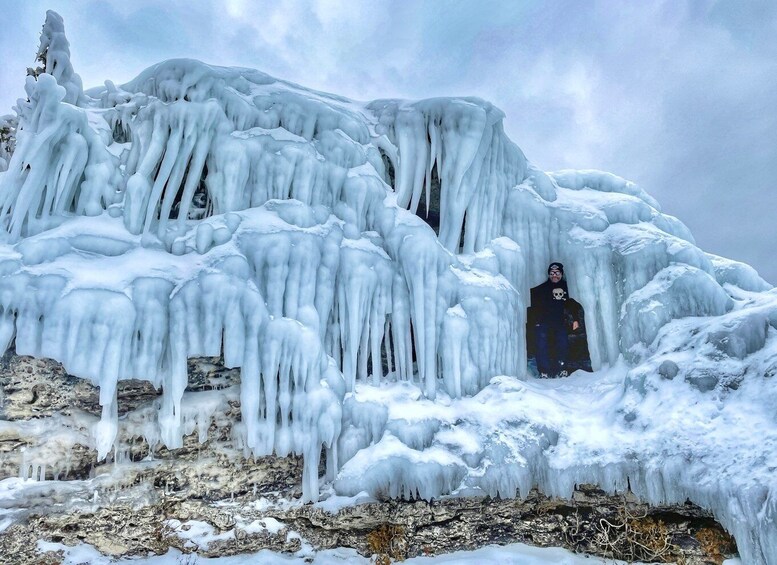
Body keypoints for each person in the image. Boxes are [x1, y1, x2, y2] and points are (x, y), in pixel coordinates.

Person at [529, 262, 581, 378]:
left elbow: (572, 304)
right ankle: (544, 371)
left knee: (562, 344)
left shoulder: (566, 287)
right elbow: (533, 304)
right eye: (552, 273)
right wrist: (534, 321)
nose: (554, 275)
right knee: (541, 345)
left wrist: (575, 319)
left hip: (559, 322)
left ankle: (561, 368)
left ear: (561, 274)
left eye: (557, 273)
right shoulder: (542, 288)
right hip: (542, 322)